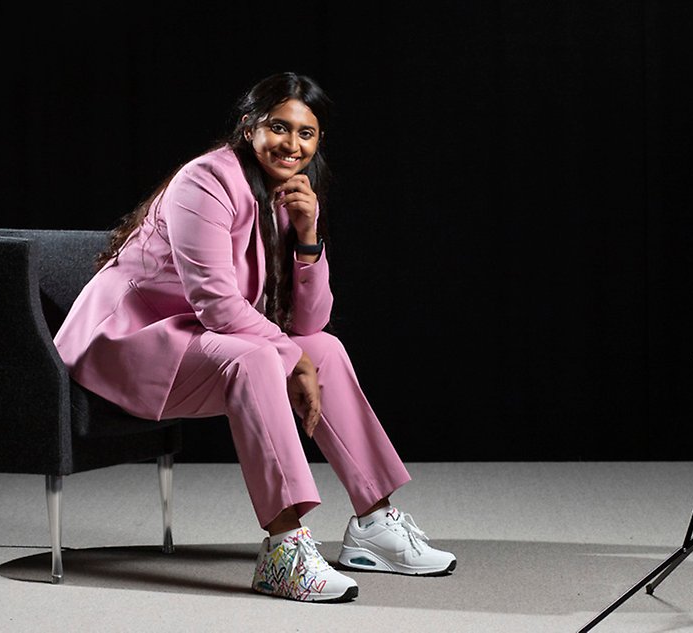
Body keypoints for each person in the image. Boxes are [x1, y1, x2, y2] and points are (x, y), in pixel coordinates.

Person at [53, 71, 456, 603]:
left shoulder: (285, 195)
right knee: (256, 359)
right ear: (248, 127)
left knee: (325, 351)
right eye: (278, 127)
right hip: (126, 346)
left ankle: (374, 524)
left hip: (194, 338)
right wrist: (291, 359)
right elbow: (217, 304)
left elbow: (308, 325)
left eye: (306, 133)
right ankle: (284, 550)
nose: (293, 144)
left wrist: (309, 239)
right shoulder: (205, 181)